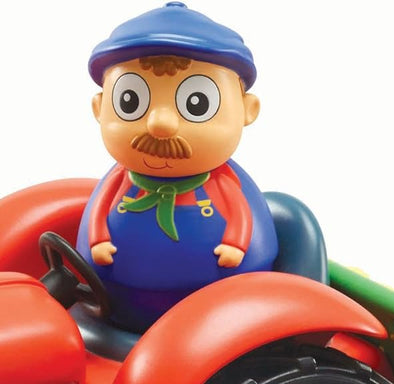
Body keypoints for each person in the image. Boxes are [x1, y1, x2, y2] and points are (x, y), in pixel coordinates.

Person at [79, 2, 278, 332]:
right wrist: (97, 240)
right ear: (100, 109)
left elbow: (239, 214)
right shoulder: (119, 179)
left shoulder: (225, 182)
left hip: (220, 315)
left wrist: (235, 244)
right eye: (131, 101)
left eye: (197, 104)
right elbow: (99, 211)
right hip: (116, 308)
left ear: (247, 110)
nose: (160, 123)